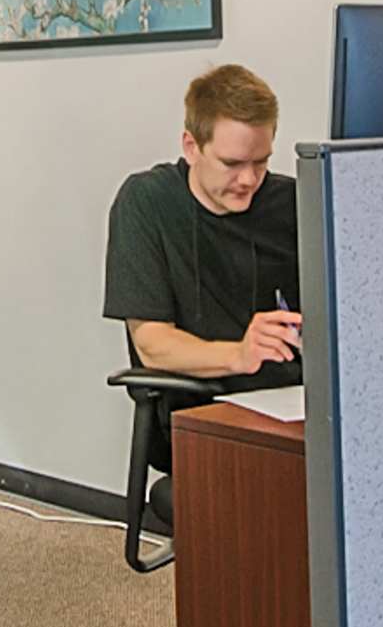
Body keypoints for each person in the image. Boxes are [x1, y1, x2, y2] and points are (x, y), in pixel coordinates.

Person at [104, 62, 302, 409]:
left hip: (292, 401)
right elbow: (152, 344)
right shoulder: (149, 203)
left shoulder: (292, 202)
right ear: (191, 146)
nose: (249, 180)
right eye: (232, 164)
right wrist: (239, 355)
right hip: (197, 411)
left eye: (261, 163)